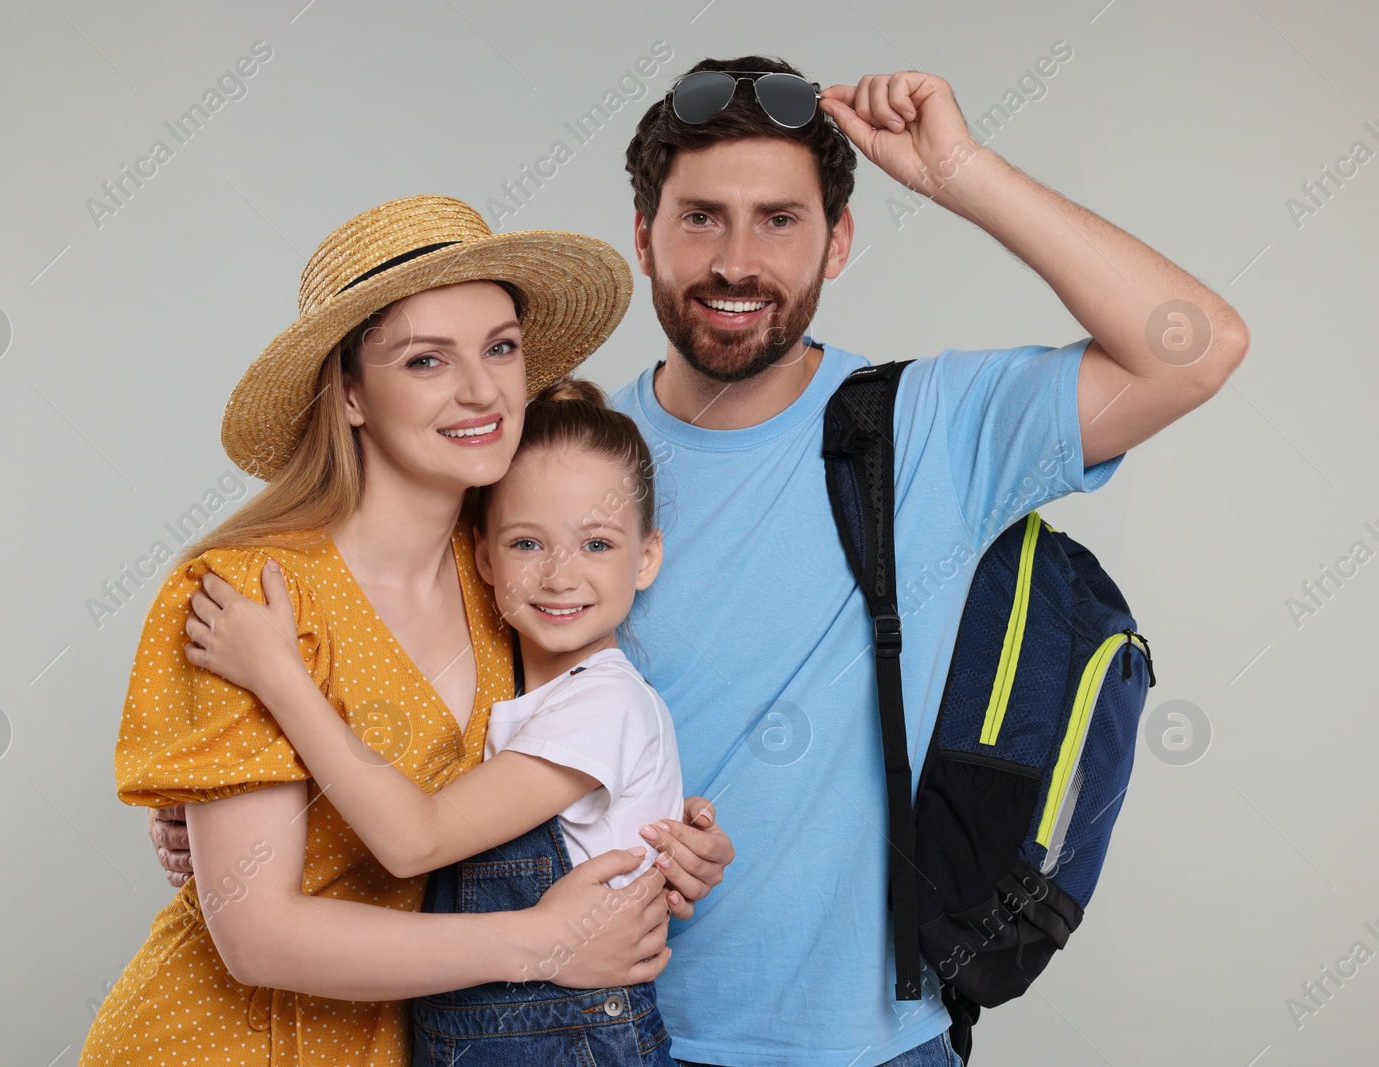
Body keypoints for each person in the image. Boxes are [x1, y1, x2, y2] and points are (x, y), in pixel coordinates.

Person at [153, 54, 1249, 1066]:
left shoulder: (930, 428)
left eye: (779, 220)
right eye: (699, 220)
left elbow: (1195, 346)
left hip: (869, 1042)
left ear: (839, 240)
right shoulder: (550, 461)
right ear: (643, 236)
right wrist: (254, 825)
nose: (735, 261)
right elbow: (435, 694)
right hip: (588, 1026)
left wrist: (960, 171)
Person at [82, 194, 733, 1067]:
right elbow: (259, 936)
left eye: (500, 347)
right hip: (221, 1043)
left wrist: (659, 838)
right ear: (349, 391)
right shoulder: (250, 592)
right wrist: (535, 943)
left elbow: (549, 780)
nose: (482, 389)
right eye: (427, 359)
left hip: (404, 1045)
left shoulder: (505, 578)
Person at [180, 374, 685, 1065]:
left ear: (647, 557)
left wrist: (279, 677)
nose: (562, 575)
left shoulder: (607, 706)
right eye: (527, 544)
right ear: (481, 555)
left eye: (597, 544)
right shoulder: (510, 687)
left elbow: (414, 839)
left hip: (572, 1043)